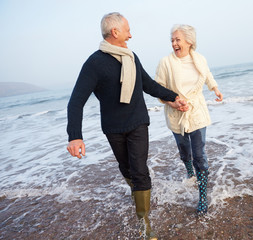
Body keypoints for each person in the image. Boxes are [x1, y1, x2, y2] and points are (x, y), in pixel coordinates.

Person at [66, 12, 187, 240]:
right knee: (127, 169)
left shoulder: (131, 57)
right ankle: (139, 195)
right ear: (115, 32)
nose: (130, 35)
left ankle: (144, 221)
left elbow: (148, 84)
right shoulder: (94, 64)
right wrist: (75, 136)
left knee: (140, 170)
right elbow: (76, 101)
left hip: (138, 122)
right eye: (127, 30)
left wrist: (173, 97)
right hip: (113, 128)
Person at [155, 24, 223, 216]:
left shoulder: (199, 59)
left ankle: (202, 197)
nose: (174, 43)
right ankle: (189, 171)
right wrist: (174, 102)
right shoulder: (165, 63)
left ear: (189, 41)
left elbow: (207, 74)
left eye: (178, 39)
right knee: (185, 152)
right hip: (176, 113)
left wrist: (215, 88)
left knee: (199, 154)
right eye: (172, 40)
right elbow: (158, 89)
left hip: (196, 111)